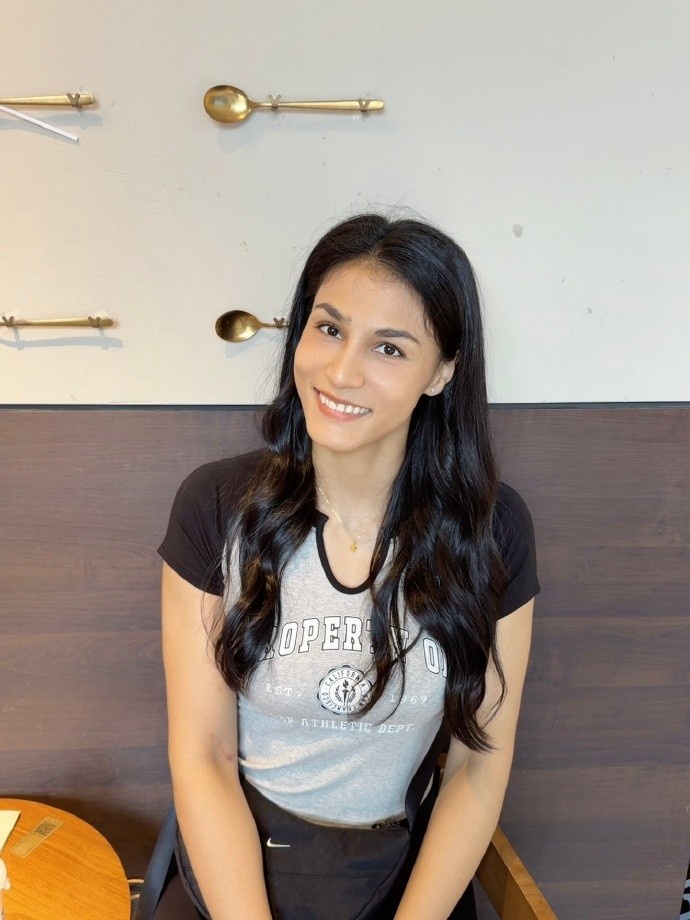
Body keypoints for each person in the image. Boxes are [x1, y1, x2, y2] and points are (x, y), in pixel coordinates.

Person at [158, 213, 540, 919]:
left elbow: (478, 768)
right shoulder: (216, 506)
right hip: (243, 865)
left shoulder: (492, 530)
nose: (340, 372)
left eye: (389, 348)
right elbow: (203, 756)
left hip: (402, 876)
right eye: (329, 329)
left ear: (443, 371)